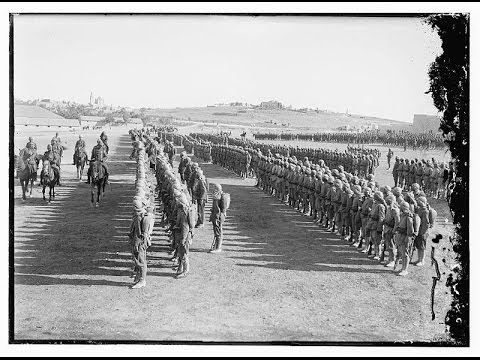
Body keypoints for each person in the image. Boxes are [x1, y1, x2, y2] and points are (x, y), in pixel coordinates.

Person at [209, 183, 226, 253]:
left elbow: (223, 209)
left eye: (214, 188)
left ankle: (218, 248)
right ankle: (216, 246)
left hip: (218, 217)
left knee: (218, 232)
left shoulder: (220, 197)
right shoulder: (216, 196)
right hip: (215, 215)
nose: (213, 190)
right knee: (216, 231)